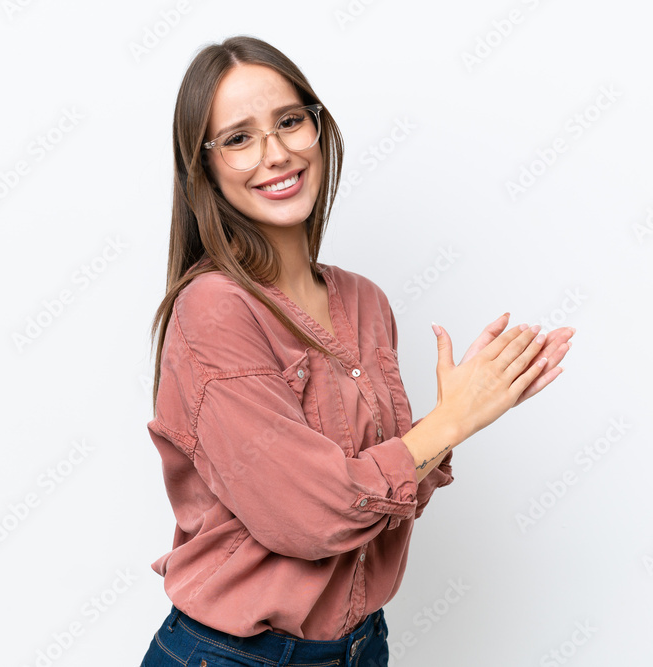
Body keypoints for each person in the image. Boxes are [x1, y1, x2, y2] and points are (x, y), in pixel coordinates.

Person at [140, 35, 574, 667]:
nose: (276, 153)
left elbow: (382, 500)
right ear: (203, 169)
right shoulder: (213, 309)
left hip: (363, 646)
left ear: (318, 129)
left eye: (290, 121)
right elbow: (306, 517)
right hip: (232, 655)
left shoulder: (365, 301)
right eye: (238, 138)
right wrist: (454, 421)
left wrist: (461, 413)